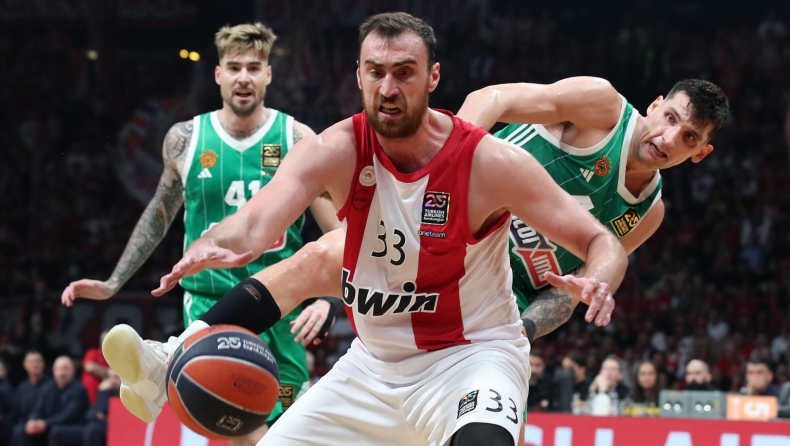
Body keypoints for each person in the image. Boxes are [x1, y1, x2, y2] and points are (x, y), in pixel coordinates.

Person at [107, 12, 626, 446]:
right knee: (314, 259)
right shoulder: (335, 149)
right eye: (376, 72)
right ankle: (170, 357)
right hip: (372, 367)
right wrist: (211, 243)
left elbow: (602, 242)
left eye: (404, 72)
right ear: (358, 76)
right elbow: (254, 223)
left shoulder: (490, 163)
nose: (388, 88)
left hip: (469, 359)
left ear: (433, 78)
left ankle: (168, 358)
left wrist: (599, 279)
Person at [60, 22, 341, 443]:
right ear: (218, 74)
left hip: (282, 301)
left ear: (268, 74)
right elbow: (158, 213)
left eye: (253, 67)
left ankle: (159, 371)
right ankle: (161, 366)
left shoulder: (297, 138)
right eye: (234, 67)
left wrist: (327, 297)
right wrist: (114, 281)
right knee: (240, 428)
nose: (243, 77)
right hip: (210, 305)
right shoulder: (185, 139)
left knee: (287, 431)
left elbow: (339, 230)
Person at [457, 76, 728, 342]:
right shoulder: (603, 107)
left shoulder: (649, 213)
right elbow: (492, 98)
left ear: (700, 153)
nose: (669, 139)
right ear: (655, 106)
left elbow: (570, 290)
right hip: (451, 233)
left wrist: (524, 331)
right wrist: (442, 172)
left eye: (689, 137)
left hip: (495, 306)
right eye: (670, 118)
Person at [12, 356, 88, 446]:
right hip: (49, 425)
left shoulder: (78, 389)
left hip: (73, 426)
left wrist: (46, 423)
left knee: (56, 432)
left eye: (65, 369)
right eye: (59, 369)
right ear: (54, 371)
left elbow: (70, 415)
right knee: (21, 431)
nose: (62, 373)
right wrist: (33, 420)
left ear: (72, 370)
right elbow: (38, 408)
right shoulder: (48, 388)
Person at [48, 370, 121, 446]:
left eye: (116, 377)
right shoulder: (107, 392)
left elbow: (103, 409)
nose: (112, 381)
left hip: (109, 430)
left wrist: (102, 392)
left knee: (93, 430)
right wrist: (99, 415)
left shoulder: (119, 395)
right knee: (56, 432)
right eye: (110, 377)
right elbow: (90, 414)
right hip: (88, 428)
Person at [13, 351, 51, 437]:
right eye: (32, 362)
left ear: (43, 364)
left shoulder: (51, 385)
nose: (35, 365)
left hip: (45, 425)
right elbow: (17, 412)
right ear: (25, 365)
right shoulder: (22, 387)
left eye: (38, 361)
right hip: (25, 425)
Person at [80, 331, 108, 406]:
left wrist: (99, 370)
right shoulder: (93, 352)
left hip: (107, 392)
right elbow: (89, 367)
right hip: (89, 392)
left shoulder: (115, 357)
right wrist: (107, 372)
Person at [0, 359, 13, 446]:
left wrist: (2, 417)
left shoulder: (6, 388)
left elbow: (14, 413)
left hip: (5, 426)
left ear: (5, 371)